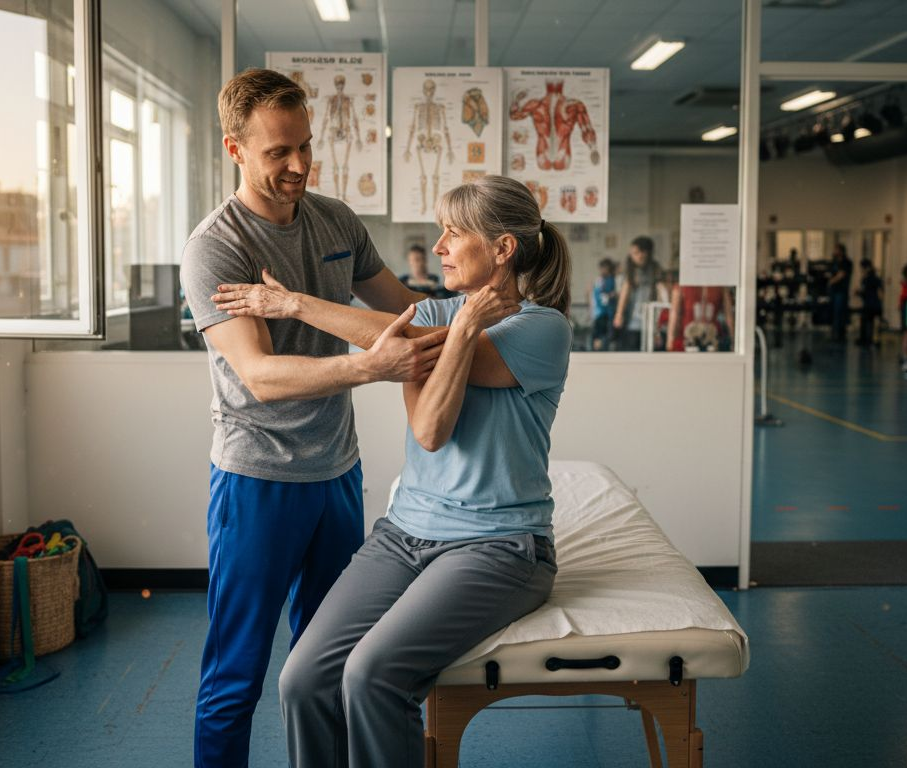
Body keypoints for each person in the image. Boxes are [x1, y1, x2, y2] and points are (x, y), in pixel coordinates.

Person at [211, 175, 571, 768]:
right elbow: (431, 427)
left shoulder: (543, 329)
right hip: (405, 536)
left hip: (500, 546)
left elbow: (424, 361)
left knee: (373, 675)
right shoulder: (431, 313)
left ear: (502, 249)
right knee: (302, 678)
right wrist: (457, 327)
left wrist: (292, 303)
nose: (440, 247)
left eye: (455, 233)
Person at [179, 68, 446, 768]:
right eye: (278, 153)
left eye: (305, 146)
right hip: (257, 480)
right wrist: (369, 367)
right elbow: (262, 377)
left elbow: (404, 311)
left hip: (336, 475)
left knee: (327, 662)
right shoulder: (217, 246)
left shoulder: (335, 222)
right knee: (236, 676)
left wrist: (485, 310)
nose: (298, 165)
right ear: (235, 149)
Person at [613, 235, 665, 351]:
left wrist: (659, 322)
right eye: (633, 253)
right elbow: (624, 294)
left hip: (652, 320)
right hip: (634, 321)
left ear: (645, 253)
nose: (634, 256)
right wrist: (619, 314)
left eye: (637, 252)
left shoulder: (655, 270)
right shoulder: (630, 271)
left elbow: (661, 295)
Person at [590, 257, 617, 350]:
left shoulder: (612, 280)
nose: (601, 270)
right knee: (597, 335)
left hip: (606, 313)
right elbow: (594, 295)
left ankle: (601, 350)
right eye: (601, 268)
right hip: (598, 312)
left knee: (603, 336)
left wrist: (610, 295)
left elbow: (612, 294)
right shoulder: (599, 280)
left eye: (604, 268)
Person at [827, 243, 853, 342]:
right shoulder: (835, 262)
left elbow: (841, 275)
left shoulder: (846, 262)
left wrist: (831, 281)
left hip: (841, 291)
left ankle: (840, 335)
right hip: (834, 291)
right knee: (834, 313)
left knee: (839, 313)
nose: (834, 252)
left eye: (836, 250)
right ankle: (835, 333)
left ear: (841, 251)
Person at [856, 258, 883, 347]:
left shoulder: (865, 279)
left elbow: (863, 291)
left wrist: (858, 292)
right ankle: (873, 340)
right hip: (876, 304)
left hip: (868, 304)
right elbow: (880, 293)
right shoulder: (877, 279)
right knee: (874, 323)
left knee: (866, 322)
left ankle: (866, 340)